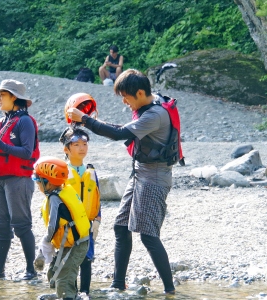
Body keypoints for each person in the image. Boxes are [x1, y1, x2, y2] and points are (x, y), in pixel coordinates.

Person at [67, 69, 176, 295]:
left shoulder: (154, 115)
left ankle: (170, 290)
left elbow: (120, 134)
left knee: (148, 235)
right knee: (121, 226)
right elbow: (123, 130)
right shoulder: (148, 104)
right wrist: (93, 122)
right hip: (139, 174)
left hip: (154, 178)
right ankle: (118, 283)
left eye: (126, 97)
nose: (124, 102)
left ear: (139, 92)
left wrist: (85, 120)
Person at [0, 79, 40, 281]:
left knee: (21, 225)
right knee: (1, 226)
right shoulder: (3, 122)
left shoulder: (25, 122)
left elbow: (26, 152)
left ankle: (31, 270)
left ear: (14, 97)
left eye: (2, 95)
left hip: (19, 179)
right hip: (1, 179)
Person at [33, 156, 90, 300]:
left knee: (64, 277)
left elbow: (53, 226)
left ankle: (68, 296)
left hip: (77, 244)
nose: (37, 185)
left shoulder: (55, 199)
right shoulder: (61, 191)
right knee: (53, 273)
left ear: (49, 183)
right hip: (71, 243)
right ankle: (69, 295)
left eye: (38, 181)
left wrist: (45, 243)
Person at [59, 127, 101, 299]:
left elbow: (97, 198)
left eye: (84, 144)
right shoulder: (61, 172)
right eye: (76, 144)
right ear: (66, 149)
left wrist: (97, 220)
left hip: (87, 223)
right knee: (70, 258)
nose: (82, 148)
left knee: (87, 257)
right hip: (68, 224)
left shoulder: (90, 171)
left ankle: (85, 292)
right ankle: (70, 291)